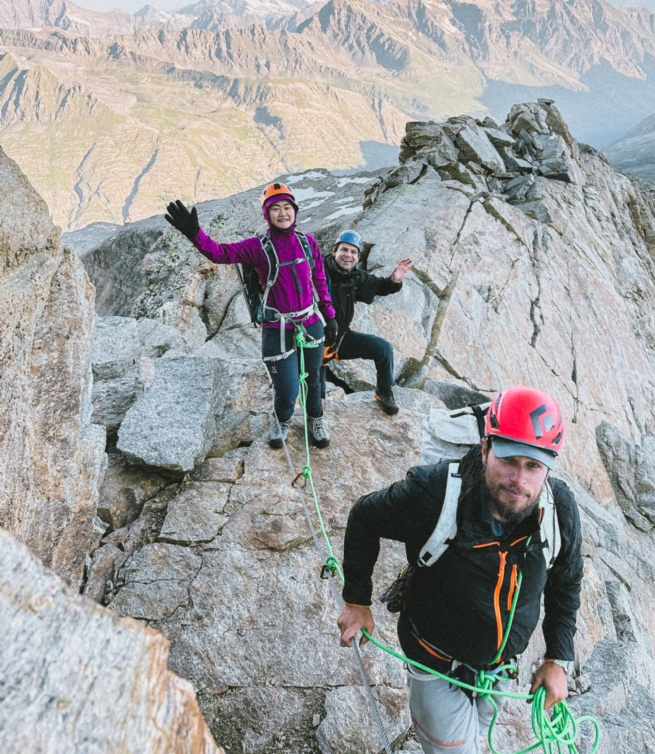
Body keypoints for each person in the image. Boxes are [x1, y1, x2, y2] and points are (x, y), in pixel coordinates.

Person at [336, 386, 583, 754]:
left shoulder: (558, 510)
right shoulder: (435, 493)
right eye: (508, 460)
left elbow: (566, 583)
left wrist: (556, 659)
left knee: (476, 735)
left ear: (547, 467)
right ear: (485, 449)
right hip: (435, 662)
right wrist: (357, 601)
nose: (519, 479)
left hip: (499, 671)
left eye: (533, 466)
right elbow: (365, 517)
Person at [164, 184, 338, 449]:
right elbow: (219, 253)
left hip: (311, 323)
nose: (283, 213)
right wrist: (195, 234)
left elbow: (319, 279)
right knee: (288, 388)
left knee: (313, 379)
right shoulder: (256, 248)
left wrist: (330, 314)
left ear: (295, 211)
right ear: (267, 215)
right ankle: (282, 420)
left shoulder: (307, 242)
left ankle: (315, 418)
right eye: (276, 209)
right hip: (276, 328)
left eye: (287, 207)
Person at [323, 230, 413, 416]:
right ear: (334, 251)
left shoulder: (356, 277)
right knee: (317, 399)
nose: (348, 255)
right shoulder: (319, 273)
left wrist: (394, 280)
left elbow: (379, 286)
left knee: (383, 349)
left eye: (353, 252)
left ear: (358, 257)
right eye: (344, 250)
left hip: (340, 340)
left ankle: (384, 391)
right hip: (314, 344)